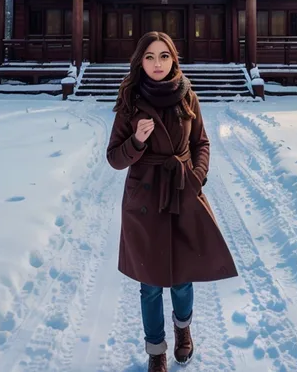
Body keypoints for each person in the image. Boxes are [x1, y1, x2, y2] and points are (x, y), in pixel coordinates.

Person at [106, 31, 239, 372]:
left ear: (173, 59)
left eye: (164, 56)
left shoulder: (186, 95)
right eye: (149, 56)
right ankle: (155, 350)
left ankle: (183, 329)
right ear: (140, 61)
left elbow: (202, 143)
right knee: (149, 284)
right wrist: (136, 140)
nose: (157, 64)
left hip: (182, 192)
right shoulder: (130, 99)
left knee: (182, 277)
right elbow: (114, 158)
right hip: (144, 197)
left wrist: (195, 177)